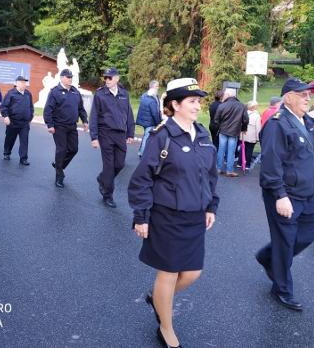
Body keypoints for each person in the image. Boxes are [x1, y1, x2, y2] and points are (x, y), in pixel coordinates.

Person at [128, 78, 218, 348]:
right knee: (167, 274)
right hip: (166, 215)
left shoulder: (202, 134)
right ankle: (166, 329)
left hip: (194, 216)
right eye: (191, 101)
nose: (197, 105)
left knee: (192, 273)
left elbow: (210, 176)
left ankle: (158, 298)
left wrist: (211, 205)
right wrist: (141, 216)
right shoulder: (161, 136)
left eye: (198, 100)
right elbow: (141, 179)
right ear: (175, 105)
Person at [255, 78, 314, 311]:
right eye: (303, 95)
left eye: (309, 95)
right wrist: (280, 195)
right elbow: (271, 164)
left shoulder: (305, 120)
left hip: (306, 193)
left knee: (307, 236)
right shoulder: (277, 124)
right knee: (285, 242)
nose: (308, 98)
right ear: (288, 97)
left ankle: (268, 256)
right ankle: (282, 289)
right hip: (285, 194)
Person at [89, 67, 135, 208]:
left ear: (117, 79)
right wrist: (94, 137)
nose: (107, 80)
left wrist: (130, 133)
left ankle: (102, 178)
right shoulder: (100, 94)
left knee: (119, 164)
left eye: (110, 78)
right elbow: (94, 116)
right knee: (109, 166)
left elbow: (129, 114)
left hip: (120, 134)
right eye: (105, 78)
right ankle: (107, 195)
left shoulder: (124, 94)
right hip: (106, 133)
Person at [43, 69, 89, 188]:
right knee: (61, 149)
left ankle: (59, 165)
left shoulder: (75, 91)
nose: (70, 79)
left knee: (74, 149)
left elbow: (81, 109)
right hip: (59, 126)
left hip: (72, 126)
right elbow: (48, 110)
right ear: (62, 78)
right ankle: (59, 176)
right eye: (68, 77)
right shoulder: (55, 92)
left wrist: (85, 121)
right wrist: (50, 125)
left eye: (71, 77)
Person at [214, 88, 248, 177]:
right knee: (231, 151)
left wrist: (220, 127)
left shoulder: (222, 105)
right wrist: (244, 128)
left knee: (221, 150)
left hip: (223, 131)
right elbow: (245, 119)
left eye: (225, 94)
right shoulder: (241, 106)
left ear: (228, 95)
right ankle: (229, 170)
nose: (224, 95)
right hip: (234, 131)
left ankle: (218, 168)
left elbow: (216, 120)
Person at [0, 76, 34, 165]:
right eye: (22, 82)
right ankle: (7, 153)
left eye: (25, 82)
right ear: (17, 83)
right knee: (10, 139)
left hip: (25, 123)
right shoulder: (11, 93)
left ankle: (23, 158)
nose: (24, 84)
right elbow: (4, 106)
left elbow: (31, 106)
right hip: (13, 122)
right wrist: (5, 116)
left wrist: (30, 116)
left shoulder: (28, 94)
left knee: (24, 141)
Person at [135, 80, 161, 157]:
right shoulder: (151, 98)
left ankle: (143, 152)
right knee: (146, 137)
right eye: (157, 86)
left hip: (144, 120)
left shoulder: (145, 95)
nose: (158, 87)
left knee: (146, 136)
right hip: (149, 122)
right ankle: (141, 153)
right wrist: (158, 123)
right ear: (153, 87)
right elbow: (155, 113)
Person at [239, 101, 261, 169]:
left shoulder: (242, 114)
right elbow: (258, 128)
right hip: (251, 136)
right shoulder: (256, 116)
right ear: (254, 107)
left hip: (243, 134)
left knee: (242, 149)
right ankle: (247, 164)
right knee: (249, 150)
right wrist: (258, 138)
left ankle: (240, 163)